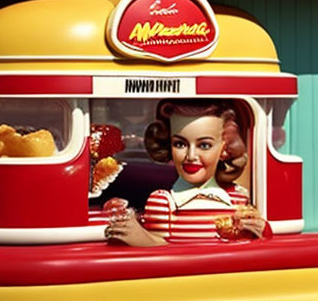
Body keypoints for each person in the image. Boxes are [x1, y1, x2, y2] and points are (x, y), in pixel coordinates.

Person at [105, 100, 269, 246]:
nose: (191, 156)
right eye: (180, 144)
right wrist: (143, 239)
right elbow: (163, 256)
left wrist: (262, 231)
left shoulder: (239, 199)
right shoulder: (162, 202)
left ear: (224, 149)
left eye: (204, 145)